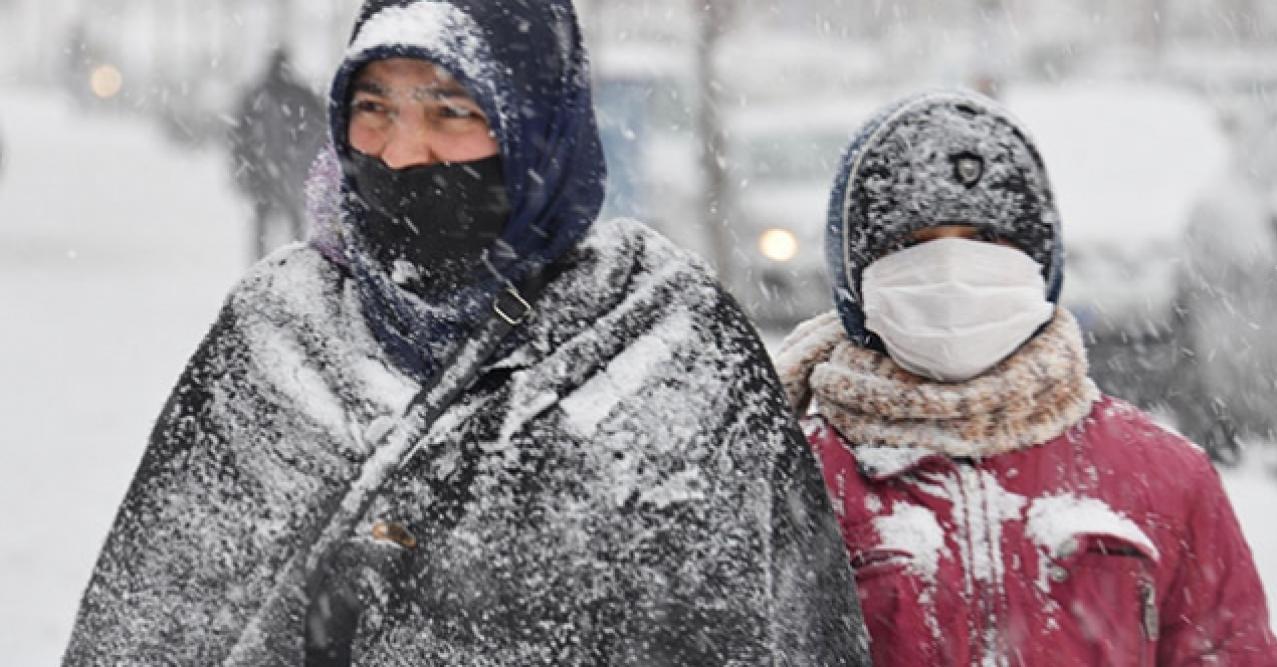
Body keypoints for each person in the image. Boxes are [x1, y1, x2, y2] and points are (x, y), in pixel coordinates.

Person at [63, 1, 869, 664]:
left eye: (452, 111)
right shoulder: (277, 331)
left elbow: (788, 625)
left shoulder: (672, 338)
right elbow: (153, 623)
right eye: (374, 109)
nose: (404, 151)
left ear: (536, 123)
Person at [776, 90, 1277, 665]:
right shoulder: (794, 483)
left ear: (1041, 260)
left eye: (987, 240)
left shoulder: (1164, 480)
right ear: (855, 273)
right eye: (912, 245)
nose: (952, 272)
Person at [229, 48, 327, 260]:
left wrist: (243, 168)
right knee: (290, 222)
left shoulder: (258, 95)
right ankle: (295, 262)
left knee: (267, 224)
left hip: (266, 171)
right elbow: (318, 128)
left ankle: (263, 266)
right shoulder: (298, 94)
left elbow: (239, 137)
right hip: (285, 171)